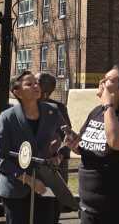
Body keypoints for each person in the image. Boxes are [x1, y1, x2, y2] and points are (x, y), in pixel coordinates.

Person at [64, 65, 119, 224]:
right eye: (103, 77)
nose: (102, 81)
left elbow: (116, 142)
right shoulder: (97, 112)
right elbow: (88, 147)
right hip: (89, 208)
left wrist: (108, 106)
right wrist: (75, 145)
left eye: (109, 80)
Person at [0, 71, 62, 224]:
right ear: (17, 92)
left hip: (46, 187)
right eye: (29, 84)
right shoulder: (7, 117)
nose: (36, 86)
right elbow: (0, 159)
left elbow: (65, 140)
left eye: (36, 83)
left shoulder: (52, 111)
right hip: (15, 190)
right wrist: (30, 181)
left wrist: (58, 155)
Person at [36, 72, 72, 221]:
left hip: (54, 166)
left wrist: (60, 155)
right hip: (32, 165)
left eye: (35, 82)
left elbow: (68, 136)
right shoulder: (26, 107)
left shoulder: (58, 109)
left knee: (51, 206)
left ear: (44, 91)